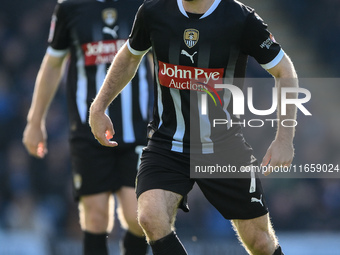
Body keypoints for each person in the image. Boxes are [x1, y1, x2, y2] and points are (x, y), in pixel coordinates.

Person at [89, 0, 298, 254]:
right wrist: (99, 107)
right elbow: (130, 56)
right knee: (150, 216)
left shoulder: (240, 18)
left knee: (260, 242)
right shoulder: (153, 11)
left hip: (224, 147)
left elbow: (284, 71)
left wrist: (284, 138)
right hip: (167, 142)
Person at [22, 0, 152, 254]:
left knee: (139, 217)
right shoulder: (70, 7)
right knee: (95, 217)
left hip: (136, 129)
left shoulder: (144, 5)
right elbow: (52, 63)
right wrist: (35, 121)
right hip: (86, 130)